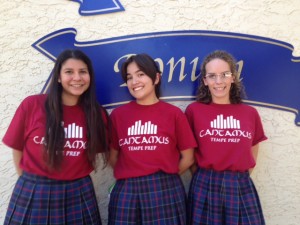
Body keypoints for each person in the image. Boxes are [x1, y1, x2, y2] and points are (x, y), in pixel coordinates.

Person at [2, 49, 109, 225]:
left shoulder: (96, 114)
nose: (77, 78)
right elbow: (17, 147)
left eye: (83, 71)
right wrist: (30, 182)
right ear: (58, 77)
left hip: (79, 192)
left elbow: (100, 150)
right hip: (34, 191)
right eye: (69, 72)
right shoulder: (32, 105)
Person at [108, 53, 197, 224]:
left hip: (166, 190)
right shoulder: (118, 115)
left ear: (156, 78)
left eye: (140, 74)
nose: (135, 82)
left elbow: (188, 157)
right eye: (129, 77)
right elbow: (113, 157)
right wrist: (133, 174)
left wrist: (164, 177)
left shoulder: (174, 114)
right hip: (127, 190)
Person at [185, 50, 267, 225]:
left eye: (224, 75)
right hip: (204, 183)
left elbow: (253, 147)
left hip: (240, 184)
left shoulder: (249, 113)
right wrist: (202, 176)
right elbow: (189, 152)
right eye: (212, 76)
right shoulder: (194, 111)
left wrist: (238, 176)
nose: (219, 81)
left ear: (233, 78)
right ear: (205, 81)